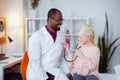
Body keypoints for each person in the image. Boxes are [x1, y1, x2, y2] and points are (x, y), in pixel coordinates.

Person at [26, 8, 72, 80]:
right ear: (50, 19)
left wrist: (67, 72)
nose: (61, 22)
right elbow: (35, 62)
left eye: (61, 20)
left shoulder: (62, 37)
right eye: (58, 20)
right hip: (37, 74)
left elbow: (61, 58)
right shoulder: (36, 37)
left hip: (53, 71)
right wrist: (44, 78)